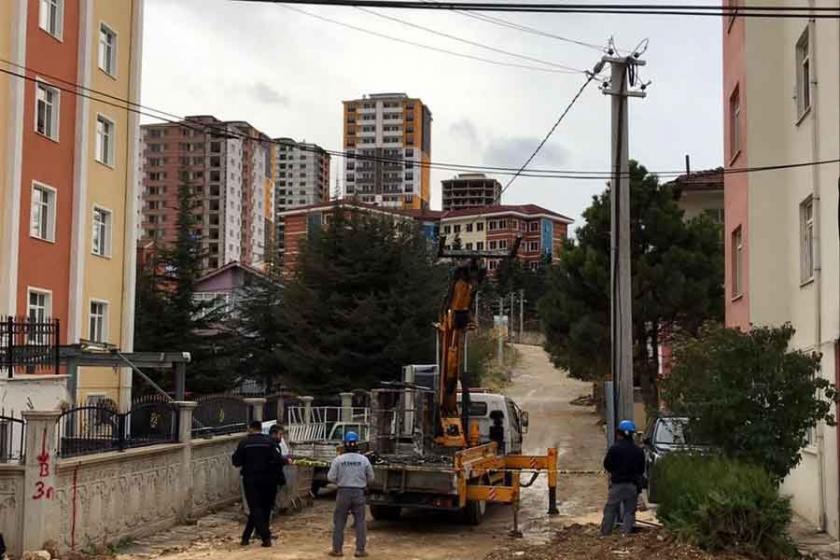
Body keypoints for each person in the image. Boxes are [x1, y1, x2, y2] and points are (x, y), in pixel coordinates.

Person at [232, 420, 283, 547]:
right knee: (263, 508)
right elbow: (277, 460)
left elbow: (236, 462)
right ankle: (246, 537)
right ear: (260, 429)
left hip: (251, 480)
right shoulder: (269, 443)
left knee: (255, 508)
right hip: (268, 480)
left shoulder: (244, 443)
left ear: (250, 428)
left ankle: (265, 537)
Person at [328, 431, 374, 558]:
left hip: (343, 493)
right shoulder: (364, 460)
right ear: (357, 444)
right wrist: (361, 481)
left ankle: (337, 550)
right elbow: (371, 478)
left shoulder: (338, 460)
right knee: (360, 522)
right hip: (359, 493)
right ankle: (360, 550)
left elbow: (330, 477)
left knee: (339, 522)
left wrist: (341, 481)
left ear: (345, 444)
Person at [600, 419, 646, 536]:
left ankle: (605, 534)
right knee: (629, 512)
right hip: (632, 486)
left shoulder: (614, 449)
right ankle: (625, 534)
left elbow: (607, 465)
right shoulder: (638, 451)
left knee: (610, 509)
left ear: (618, 433)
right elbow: (641, 470)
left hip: (617, 486)